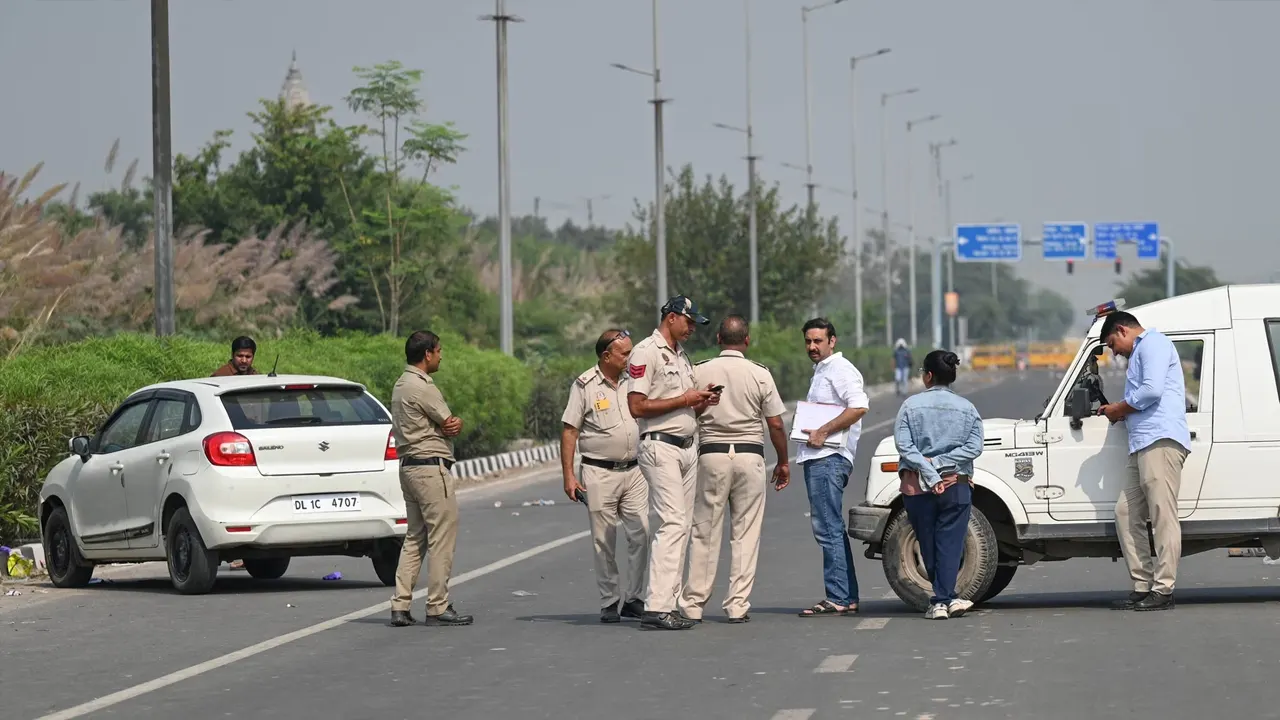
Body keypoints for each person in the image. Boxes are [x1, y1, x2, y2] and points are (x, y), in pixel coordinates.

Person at [679, 315, 789, 624]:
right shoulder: (759, 374)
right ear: (747, 341)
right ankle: (737, 604)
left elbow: (687, 409)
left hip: (711, 455)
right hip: (749, 456)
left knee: (704, 531)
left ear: (717, 339)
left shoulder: (699, 371)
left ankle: (693, 604)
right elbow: (776, 424)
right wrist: (782, 461)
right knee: (745, 532)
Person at [627, 296, 717, 630]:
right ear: (672, 317)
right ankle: (656, 606)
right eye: (689, 321)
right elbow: (637, 406)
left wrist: (703, 401)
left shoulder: (681, 356)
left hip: (685, 447)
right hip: (660, 446)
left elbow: (687, 406)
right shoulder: (645, 352)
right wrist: (685, 399)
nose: (693, 328)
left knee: (683, 525)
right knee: (673, 523)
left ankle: (668, 604)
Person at [1097, 311, 1191, 612]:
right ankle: (1142, 585)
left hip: (1160, 441)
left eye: (1113, 344)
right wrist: (1119, 410)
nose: (1115, 352)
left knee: (1163, 515)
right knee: (1125, 512)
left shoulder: (1153, 344)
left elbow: (1151, 391)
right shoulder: (1142, 351)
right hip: (1141, 444)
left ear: (1122, 330)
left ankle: (1163, 590)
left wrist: (1119, 408)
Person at [561, 329, 649, 624]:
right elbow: (570, 430)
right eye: (624, 353)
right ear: (606, 356)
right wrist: (569, 477)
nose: (629, 357)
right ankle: (610, 601)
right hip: (599, 472)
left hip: (635, 470)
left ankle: (634, 599)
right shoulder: (584, 385)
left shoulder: (635, 380)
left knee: (641, 533)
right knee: (604, 539)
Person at [389, 330, 472, 627]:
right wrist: (454, 424)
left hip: (409, 467)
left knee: (415, 537)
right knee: (441, 538)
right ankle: (437, 605)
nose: (440, 355)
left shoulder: (401, 384)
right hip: (429, 469)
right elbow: (448, 422)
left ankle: (400, 604)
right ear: (427, 354)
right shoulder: (422, 386)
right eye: (438, 350)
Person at [894, 350, 985, 620]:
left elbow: (904, 446)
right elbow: (975, 447)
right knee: (950, 543)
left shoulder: (910, 406)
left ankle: (941, 600)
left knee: (928, 543)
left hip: (917, 488)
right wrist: (943, 463)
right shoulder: (967, 408)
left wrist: (928, 467)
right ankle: (948, 599)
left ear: (929, 376)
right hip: (955, 484)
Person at [795, 318, 868, 617]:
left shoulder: (839, 369)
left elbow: (859, 405)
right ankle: (846, 596)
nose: (812, 347)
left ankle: (837, 596)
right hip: (820, 458)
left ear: (832, 341)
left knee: (826, 528)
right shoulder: (822, 371)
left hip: (828, 458)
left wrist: (823, 431)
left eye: (818, 341)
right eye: (809, 341)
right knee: (831, 527)